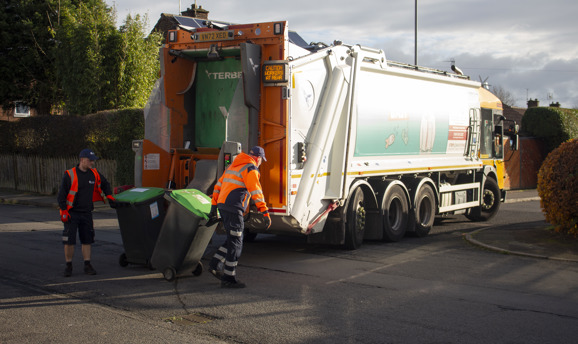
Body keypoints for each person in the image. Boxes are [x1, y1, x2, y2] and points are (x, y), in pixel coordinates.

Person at [208, 146, 271, 288]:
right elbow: (256, 191)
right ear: (258, 158)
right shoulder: (250, 169)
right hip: (233, 208)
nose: (261, 162)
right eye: (261, 160)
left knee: (233, 239)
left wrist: (213, 205)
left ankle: (214, 264)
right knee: (236, 243)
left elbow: (218, 185)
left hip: (223, 206)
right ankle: (228, 278)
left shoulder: (233, 166)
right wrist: (264, 212)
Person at [57, 149, 115, 277]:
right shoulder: (70, 174)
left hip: (86, 212)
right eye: (90, 160)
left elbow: (105, 184)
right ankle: (68, 265)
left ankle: (87, 264)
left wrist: (109, 196)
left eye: (93, 160)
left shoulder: (94, 174)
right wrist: (64, 211)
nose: (92, 163)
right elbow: (61, 195)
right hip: (72, 213)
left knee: (87, 240)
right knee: (69, 241)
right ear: (82, 160)